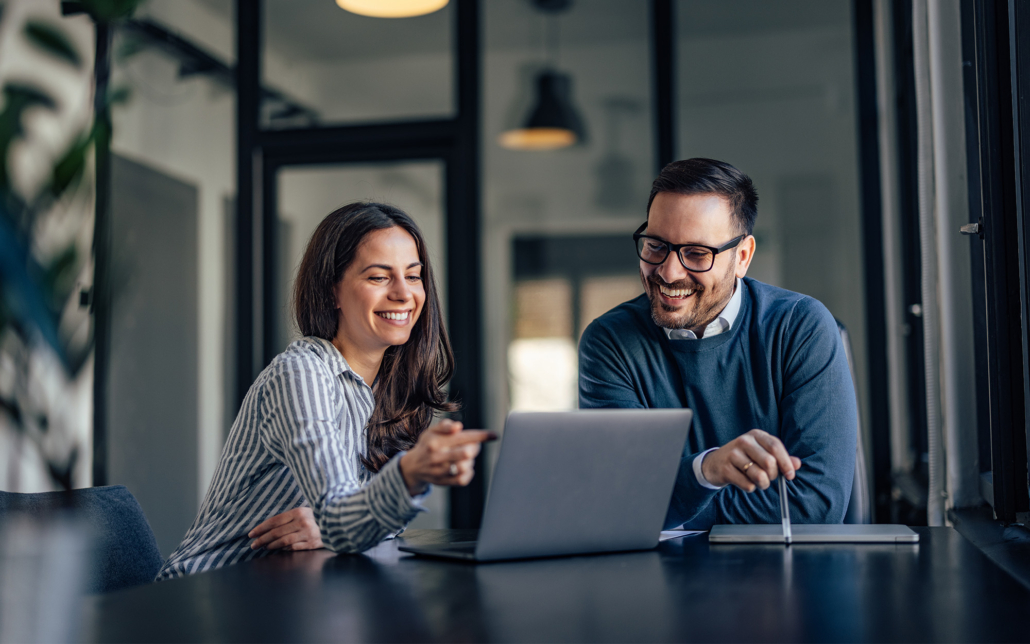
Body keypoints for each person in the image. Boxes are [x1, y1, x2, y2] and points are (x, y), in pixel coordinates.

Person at [157, 202, 492, 579]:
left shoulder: (388, 388)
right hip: (206, 595)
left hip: (287, 592)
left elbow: (353, 524)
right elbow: (345, 519)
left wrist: (330, 527)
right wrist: (402, 480)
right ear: (333, 291)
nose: (403, 293)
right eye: (379, 277)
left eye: (413, 277)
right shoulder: (301, 374)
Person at [578, 158, 857, 530]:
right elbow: (624, 501)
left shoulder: (801, 327)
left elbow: (815, 505)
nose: (668, 272)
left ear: (742, 257)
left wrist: (674, 501)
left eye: (696, 253)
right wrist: (705, 471)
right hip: (656, 580)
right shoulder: (609, 342)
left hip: (785, 578)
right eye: (656, 245)